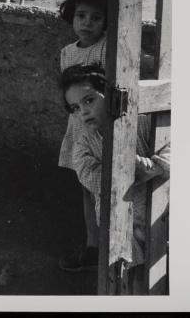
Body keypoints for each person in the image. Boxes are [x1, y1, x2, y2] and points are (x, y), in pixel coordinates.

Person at [61, 63, 170, 269]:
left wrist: (154, 167)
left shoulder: (143, 122)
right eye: (75, 108)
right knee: (132, 273)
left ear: (108, 94)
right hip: (122, 222)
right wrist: (125, 171)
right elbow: (88, 175)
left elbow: (176, 147)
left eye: (89, 100)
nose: (84, 111)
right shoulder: (84, 143)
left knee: (164, 266)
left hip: (160, 213)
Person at [57, 0, 109, 272]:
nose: (87, 23)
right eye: (81, 15)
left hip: (104, 129)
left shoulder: (108, 48)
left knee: (109, 187)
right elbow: (68, 94)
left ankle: (114, 246)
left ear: (106, 20)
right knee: (87, 188)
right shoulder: (67, 53)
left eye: (96, 17)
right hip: (79, 129)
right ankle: (93, 245)